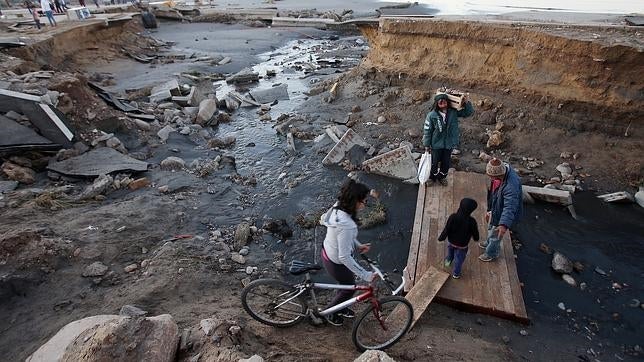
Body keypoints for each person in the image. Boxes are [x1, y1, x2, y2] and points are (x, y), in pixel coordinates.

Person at [319, 179, 379, 326]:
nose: (365, 204)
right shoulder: (348, 225)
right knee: (348, 288)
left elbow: (340, 236)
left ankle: (341, 307)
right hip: (336, 262)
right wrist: (366, 275)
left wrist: (358, 246)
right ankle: (330, 313)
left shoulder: (337, 207)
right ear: (356, 202)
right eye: (364, 201)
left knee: (346, 285)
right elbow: (344, 256)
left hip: (327, 251)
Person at [422, 93, 474, 186]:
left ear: (448, 102)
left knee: (446, 163)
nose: (442, 103)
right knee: (434, 162)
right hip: (436, 144)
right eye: (440, 101)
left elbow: (468, 112)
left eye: (444, 101)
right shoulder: (432, 115)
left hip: (448, 143)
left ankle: (442, 177)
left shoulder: (453, 112)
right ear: (436, 104)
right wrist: (426, 145)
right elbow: (427, 131)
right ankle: (432, 178)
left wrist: (466, 102)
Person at [478, 158, 522, 262]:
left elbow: (509, 207)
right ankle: (488, 242)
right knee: (491, 227)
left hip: (503, 213)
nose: (490, 178)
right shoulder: (502, 171)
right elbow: (494, 193)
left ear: (497, 175)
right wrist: (490, 210)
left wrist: (503, 225)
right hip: (497, 207)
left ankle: (491, 253)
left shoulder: (511, 187)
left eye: (491, 177)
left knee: (496, 234)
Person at [439, 197, 479, 279]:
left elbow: (447, 229)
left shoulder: (453, 217)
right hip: (462, 246)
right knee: (459, 260)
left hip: (451, 242)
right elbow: (475, 233)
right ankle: (456, 274)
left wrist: (441, 237)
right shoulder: (472, 221)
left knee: (450, 253)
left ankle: (447, 263)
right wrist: (476, 238)